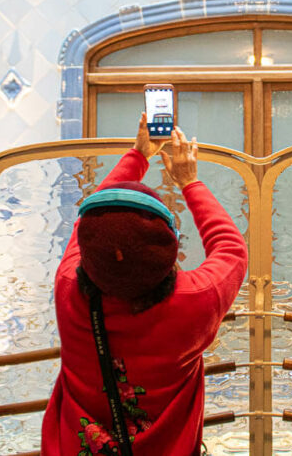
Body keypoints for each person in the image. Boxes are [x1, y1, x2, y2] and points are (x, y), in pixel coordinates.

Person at [41, 115, 248, 456]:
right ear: (169, 247)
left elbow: (89, 222)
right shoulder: (194, 301)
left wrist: (138, 155)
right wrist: (189, 182)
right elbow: (231, 248)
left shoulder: (69, 287)